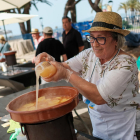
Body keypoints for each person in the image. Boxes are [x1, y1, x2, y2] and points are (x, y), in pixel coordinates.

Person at [35, 12, 140, 140]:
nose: (94, 44)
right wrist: (50, 62)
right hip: (99, 128)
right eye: (92, 37)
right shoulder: (89, 54)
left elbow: (99, 97)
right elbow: (64, 66)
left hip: (124, 128)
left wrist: (67, 75)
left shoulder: (126, 63)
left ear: (116, 40)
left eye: (101, 38)